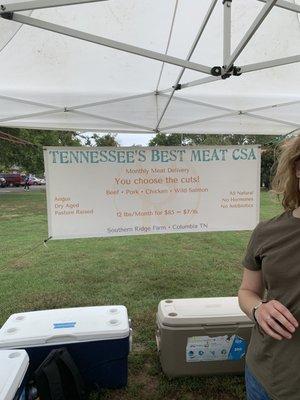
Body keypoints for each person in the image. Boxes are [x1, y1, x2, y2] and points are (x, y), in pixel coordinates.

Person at [238, 135, 300, 400]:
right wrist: (258, 309)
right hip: (268, 377)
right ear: (297, 169)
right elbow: (246, 291)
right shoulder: (266, 232)